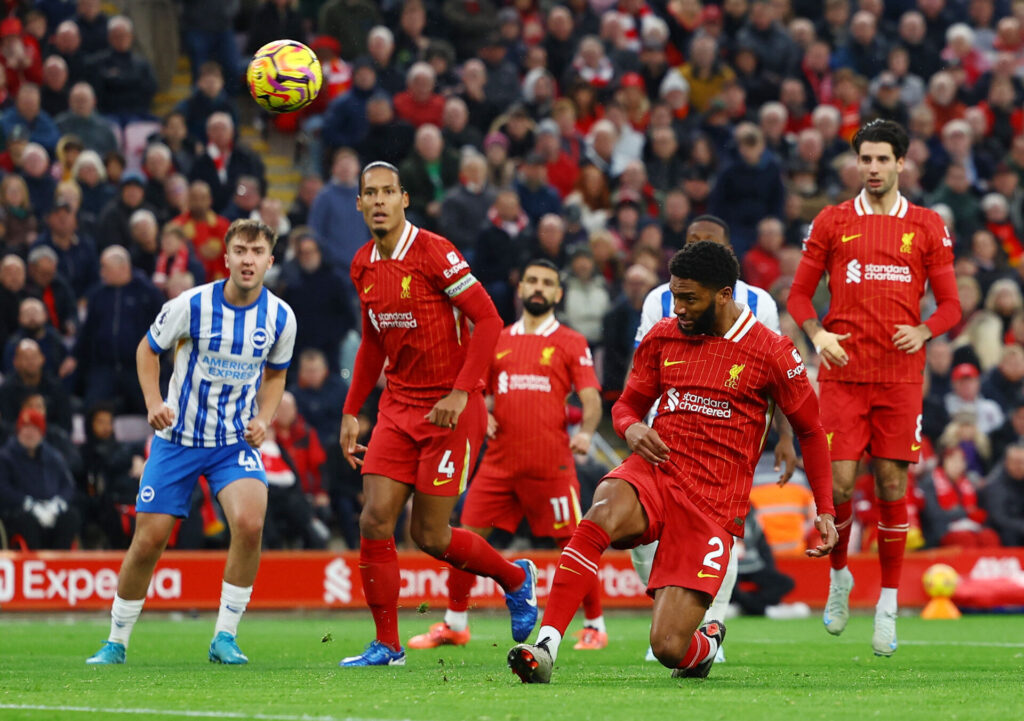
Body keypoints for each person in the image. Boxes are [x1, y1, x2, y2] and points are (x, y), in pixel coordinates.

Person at [507, 241, 837, 684]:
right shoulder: (665, 334)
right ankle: (545, 645)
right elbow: (625, 406)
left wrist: (826, 509)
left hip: (712, 504)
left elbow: (812, 431)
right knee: (601, 509)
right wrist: (631, 429)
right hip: (656, 474)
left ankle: (707, 642)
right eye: (675, 295)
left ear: (723, 294)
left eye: (689, 298)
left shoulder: (771, 351)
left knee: (668, 648)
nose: (678, 307)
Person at [338, 161, 536, 668]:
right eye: (369, 194)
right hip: (397, 409)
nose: (379, 201)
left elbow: (490, 321)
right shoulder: (363, 264)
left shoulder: (434, 251)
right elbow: (371, 345)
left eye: (387, 192)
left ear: (404, 199)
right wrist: (350, 410)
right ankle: (388, 644)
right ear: (359, 204)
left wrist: (462, 392)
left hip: (450, 412)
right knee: (375, 519)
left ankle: (516, 579)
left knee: (429, 535)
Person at [86, 219, 296, 666]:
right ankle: (116, 640)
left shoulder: (281, 316)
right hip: (178, 438)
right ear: (226, 256)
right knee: (149, 541)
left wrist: (263, 417)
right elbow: (148, 350)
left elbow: (276, 374)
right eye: (240, 250)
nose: (247, 259)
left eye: (257, 252)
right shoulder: (191, 305)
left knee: (250, 523)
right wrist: (153, 401)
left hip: (233, 441)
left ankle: (225, 636)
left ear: (269, 261)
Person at [786, 119, 961, 657]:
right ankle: (839, 578)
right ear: (857, 163)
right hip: (843, 375)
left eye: (883, 159)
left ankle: (887, 604)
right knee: (838, 486)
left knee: (891, 487)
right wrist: (818, 334)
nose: (874, 168)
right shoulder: (833, 220)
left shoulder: (927, 225)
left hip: (901, 378)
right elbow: (797, 298)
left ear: (901, 163)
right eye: (866, 159)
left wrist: (925, 328)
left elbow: (952, 305)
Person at [408, 259, 606, 652]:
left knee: (575, 544)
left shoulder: (570, 341)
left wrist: (585, 431)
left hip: (551, 463)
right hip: (498, 462)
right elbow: (473, 385)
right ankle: (454, 624)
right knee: (464, 535)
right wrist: (484, 414)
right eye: (532, 280)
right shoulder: (498, 337)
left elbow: (590, 398)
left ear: (558, 294)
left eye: (547, 283)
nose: (538, 287)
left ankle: (595, 625)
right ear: (520, 288)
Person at [629, 214, 794, 664]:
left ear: (729, 257)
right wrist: (636, 422)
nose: (698, 248)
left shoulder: (759, 302)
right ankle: (671, 620)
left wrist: (784, 437)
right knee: (644, 533)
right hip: (665, 428)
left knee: (715, 528)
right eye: (691, 242)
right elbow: (642, 364)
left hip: (729, 430)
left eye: (708, 243)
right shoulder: (657, 300)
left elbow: (779, 378)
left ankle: (710, 624)